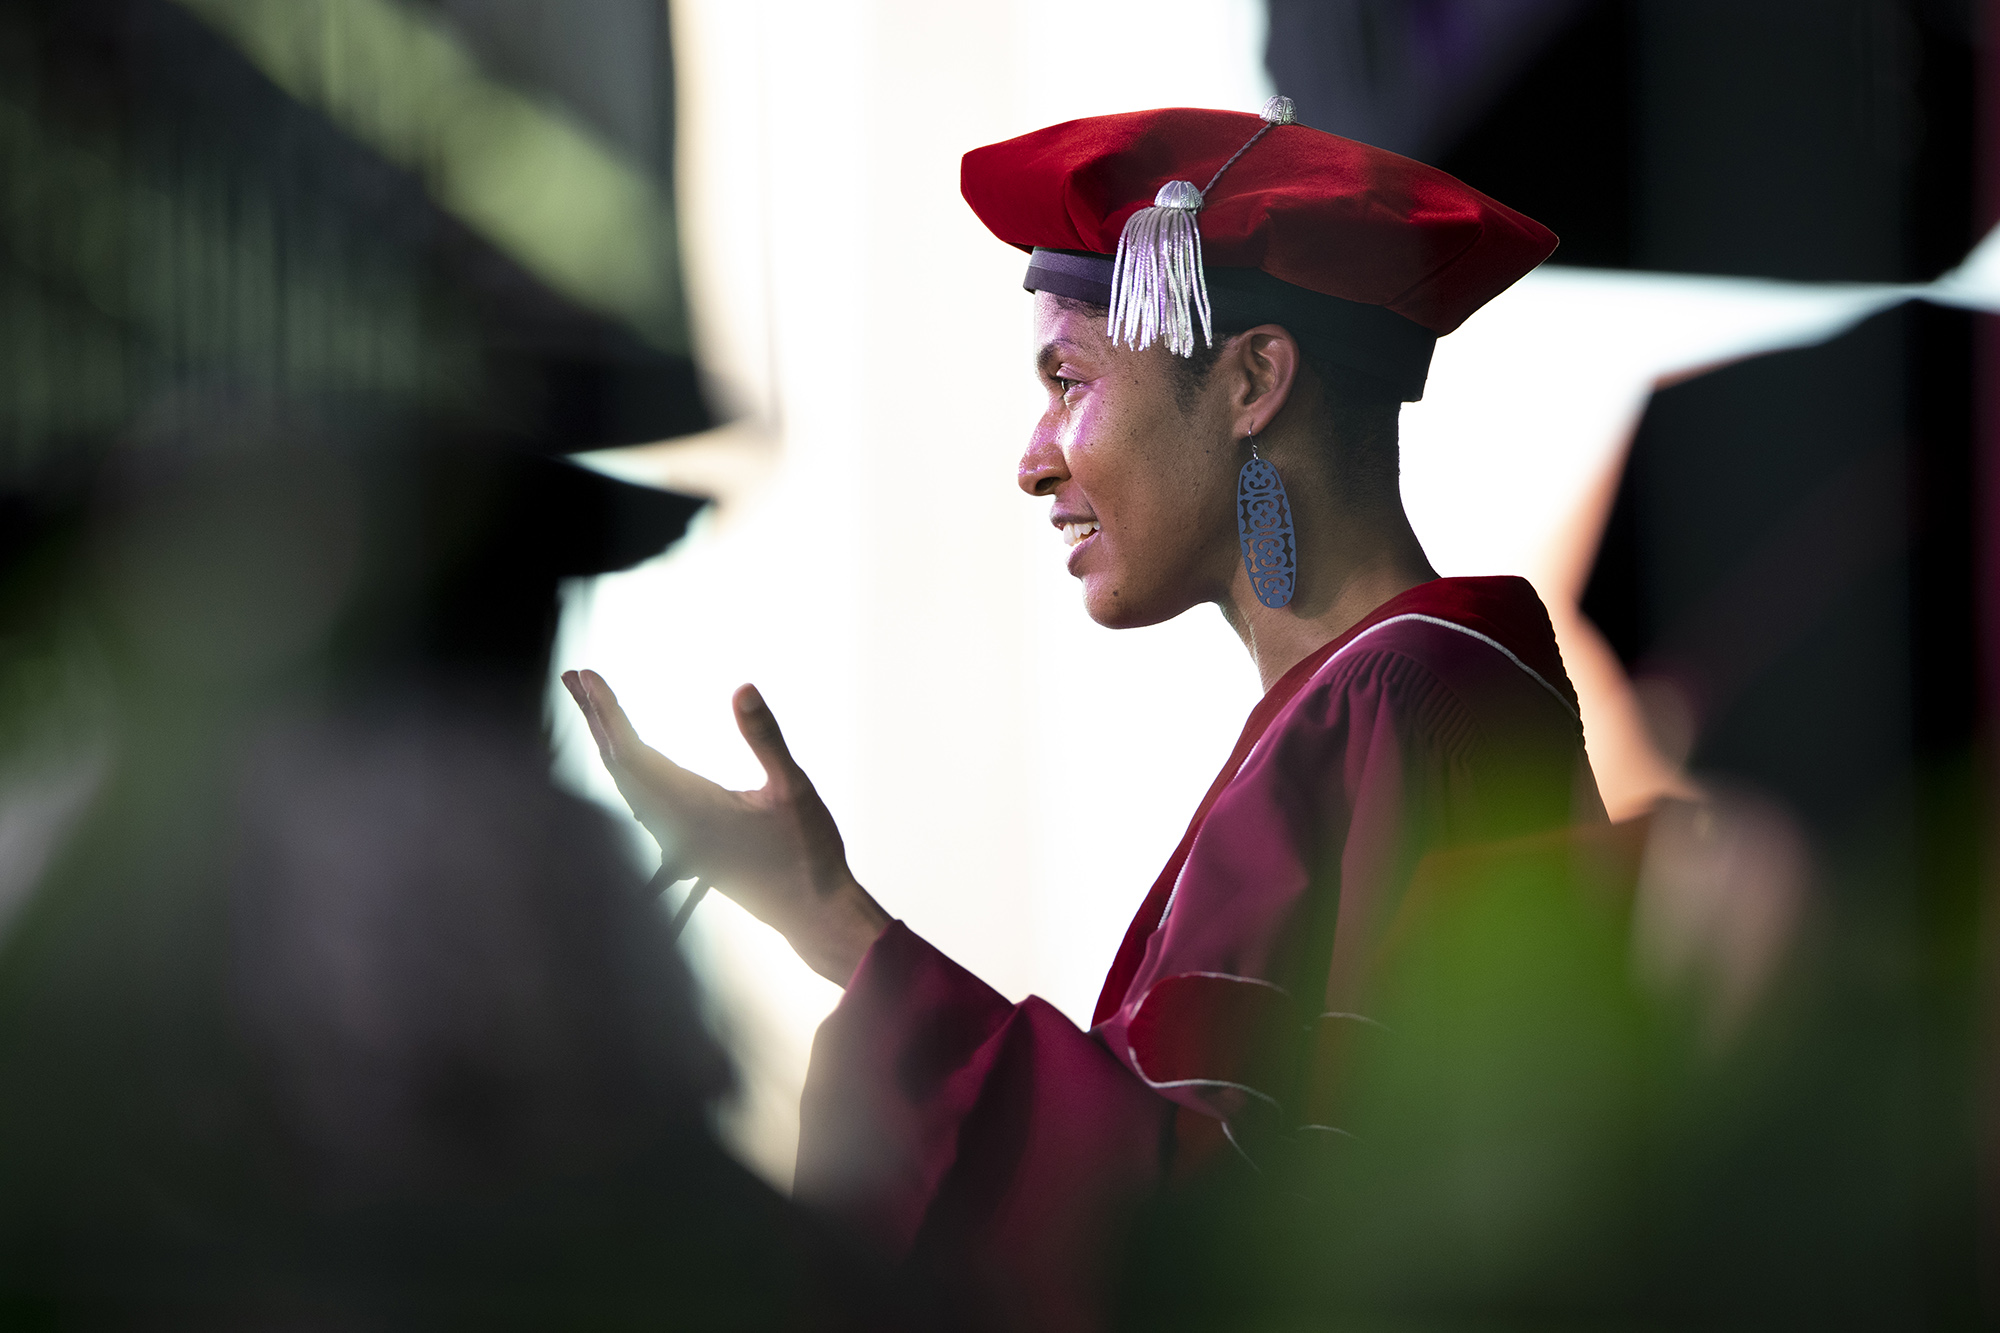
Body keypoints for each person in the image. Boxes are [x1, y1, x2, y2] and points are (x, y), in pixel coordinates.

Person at [564, 100, 1604, 1331]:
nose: (1034, 458)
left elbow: (1244, 1245)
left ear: (1251, 381)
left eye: (1069, 379)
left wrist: (850, 943)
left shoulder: (1407, 696)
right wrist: (825, 917)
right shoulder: (1376, 701)